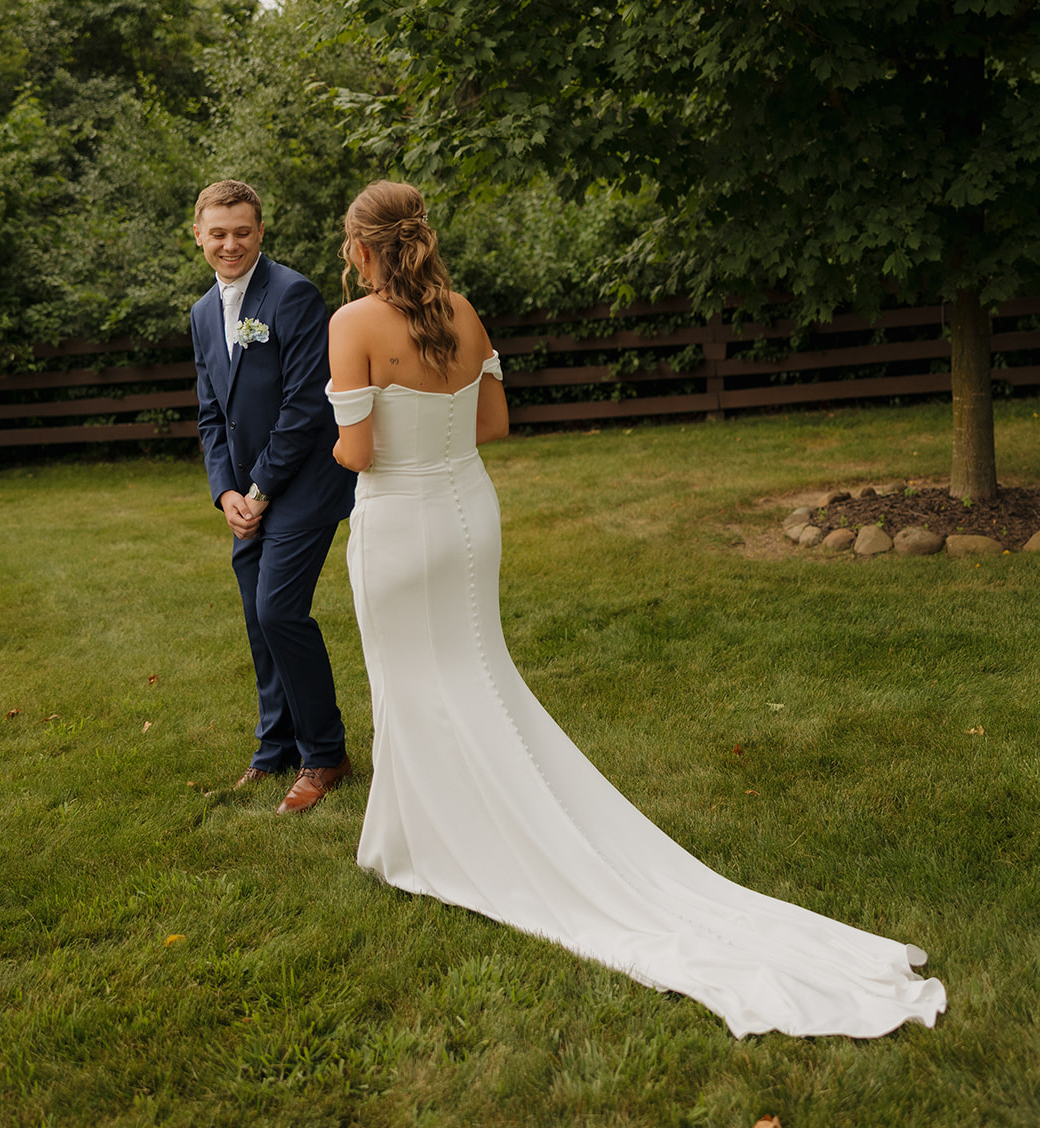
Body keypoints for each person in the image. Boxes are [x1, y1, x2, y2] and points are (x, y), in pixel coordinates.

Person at [325, 179, 947, 1040]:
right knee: (473, 669)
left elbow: (355, 453)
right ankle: (436, 827)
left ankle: (425, 840)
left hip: (399, 521)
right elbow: (493, 425)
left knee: (416, 676)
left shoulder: (350, 325)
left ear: (360, 248)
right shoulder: (463, 312)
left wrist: (334, 431)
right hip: (468, 514)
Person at [191, 179, 355, 813]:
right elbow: (211, 415)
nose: (230, 244)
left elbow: (307, 405)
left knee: (280, 611)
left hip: (305, 483)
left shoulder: (293, 295)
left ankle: (325, 754)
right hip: (245, 494)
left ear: (260, 232)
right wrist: (225, 491)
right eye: (218, 233)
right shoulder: (204, 313)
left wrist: (259, 490)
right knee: (260, 622)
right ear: (199, 235)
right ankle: (275, 746)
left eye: (242, 232)